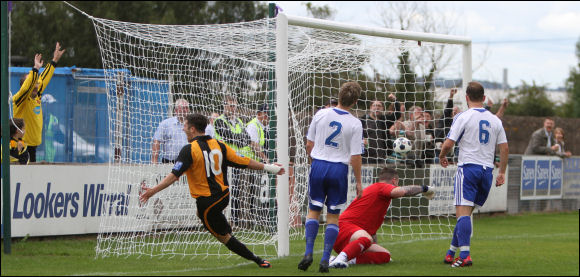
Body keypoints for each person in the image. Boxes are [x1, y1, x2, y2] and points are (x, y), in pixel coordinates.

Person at [139, 113, 285, 269]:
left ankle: (257, 259)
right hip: (223, 196)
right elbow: (244, 161)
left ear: (192, 129)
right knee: (204, 216)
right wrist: (269, 167)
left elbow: (174, 176)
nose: (183, 129)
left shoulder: (189, 150)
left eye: (185, 126)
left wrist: (152, 191)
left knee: (224, 237)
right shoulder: (219, 145)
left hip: (207, 203)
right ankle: (224, 225)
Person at [438, 81, 509, 268]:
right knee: (466, 213)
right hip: (487, 172)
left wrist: (442, 155)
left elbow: (448, 143)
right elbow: (504, 148)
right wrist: (501, 172)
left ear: (467, 97)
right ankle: (451, 253)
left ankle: (465, 256)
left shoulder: (463, 116)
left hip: (468, 168)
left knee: (461, 214)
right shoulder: (495, 120)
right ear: (484, 98)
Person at [298, 81, 363, 273]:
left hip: (318, 164)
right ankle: (325, 259)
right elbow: (356, 157)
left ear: (339, 95)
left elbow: (309, 144)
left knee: (313, 210)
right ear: (355, 101)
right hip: (338, 169)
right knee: (333, 216)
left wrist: (314, 163)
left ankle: (308, 252)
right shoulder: (355, 123)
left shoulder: (321, 114)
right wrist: (358, 182)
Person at [328, 167, 435, 268]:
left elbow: (371, 232)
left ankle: (339, 259)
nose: (397, 185)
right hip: (344, 229)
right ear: (394, 181)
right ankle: (340, 259)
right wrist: (425, 188)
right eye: (397, 183)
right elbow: (402, 191)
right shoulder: (381, 187)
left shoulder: (377, 195)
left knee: (384, 255)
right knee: (367, 238)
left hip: (350, 238)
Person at [12, 42, 65, 162]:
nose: (36, 86)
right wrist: (35, 69)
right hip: (21, 145)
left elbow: (43, 79)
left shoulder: (36, 96)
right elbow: (27, 87)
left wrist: (54, 60)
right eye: (33, 83)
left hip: (32, 146)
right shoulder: (20, 99)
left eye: (36, 83)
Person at [213, 94, 253, 227]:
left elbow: (246, 139)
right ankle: (221, 219)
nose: (233, 108)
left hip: (236, 160)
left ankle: (235, 220)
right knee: (224, 190)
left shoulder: (239, 121)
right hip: (223, 161)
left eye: (235, 106)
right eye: (231, 105)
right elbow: (229, 137)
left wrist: (238, 138)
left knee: (236, 191)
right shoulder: (219, 121)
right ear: (225, 106)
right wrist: (238, 138)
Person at [360, 94, 402, 164]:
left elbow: (397, 115)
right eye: (374, 105)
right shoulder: (362, 120)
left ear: (382, 108)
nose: (377, 107)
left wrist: (395, 100)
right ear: (370, 108)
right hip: (365, 157)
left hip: (381, 157)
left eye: (379, 106)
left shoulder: (385, 120)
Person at [151, 99, 190, 164]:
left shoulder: (192, 124)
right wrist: (154, 160)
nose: (185, 110)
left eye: (186, 108)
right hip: (169, 162)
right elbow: (157, 141)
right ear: (176, 110)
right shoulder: (166, 124)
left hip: (188, 162)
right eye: (182, 108)